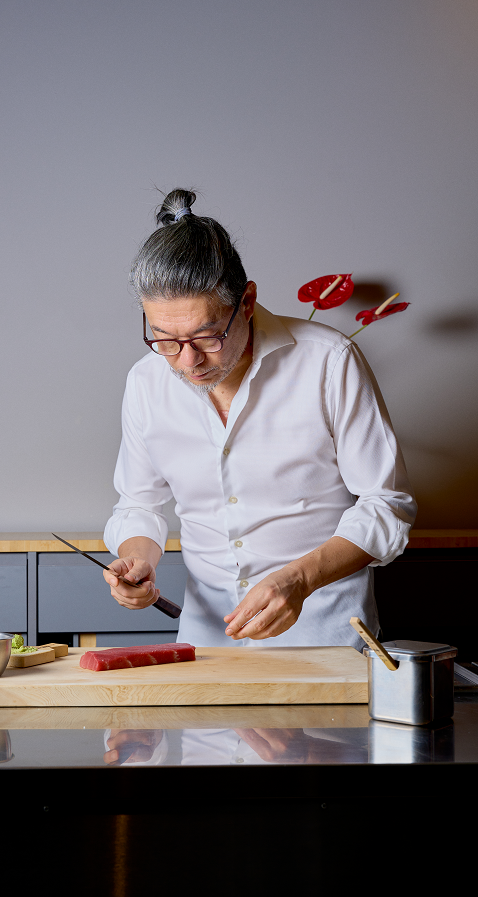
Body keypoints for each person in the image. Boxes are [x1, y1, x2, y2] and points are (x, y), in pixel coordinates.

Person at [102, 189, 416, 649]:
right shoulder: (146, 382)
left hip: (325, 636)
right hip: (207, 641)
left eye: (207, 336)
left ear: (246, 302)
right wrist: (137, 560)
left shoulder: (329, 361)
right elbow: (138, 504)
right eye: (164, 338)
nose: (187, 361)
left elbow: (387, 504)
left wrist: (299, 580)